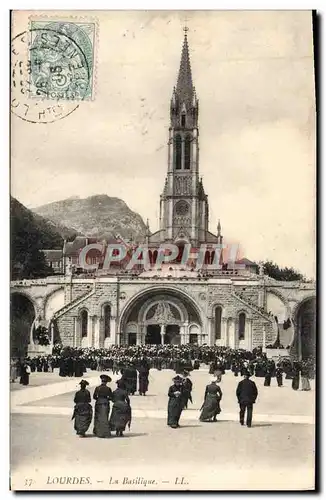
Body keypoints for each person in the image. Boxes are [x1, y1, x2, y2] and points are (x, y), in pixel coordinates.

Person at [93, 374, 113, 438]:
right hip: (105, 403)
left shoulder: (97, 388)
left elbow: (94, 397)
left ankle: (97, 431)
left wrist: (99, 399)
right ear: (106, 382)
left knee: (98, 417)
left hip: (98, 403)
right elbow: (111, 397)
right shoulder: (108, 389)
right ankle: (105, 432)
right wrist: (106, 399)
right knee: (105, 417)